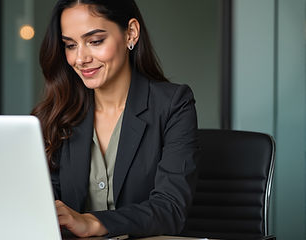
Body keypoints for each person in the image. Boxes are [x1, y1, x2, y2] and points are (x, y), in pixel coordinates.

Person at [31, 0, 198, 238]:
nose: (80, 59)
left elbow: (170, 209)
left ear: (131, 33)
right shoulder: (59, 113)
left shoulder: (173, 105)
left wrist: (91, 222)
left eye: (95, 41)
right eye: (70, 45)